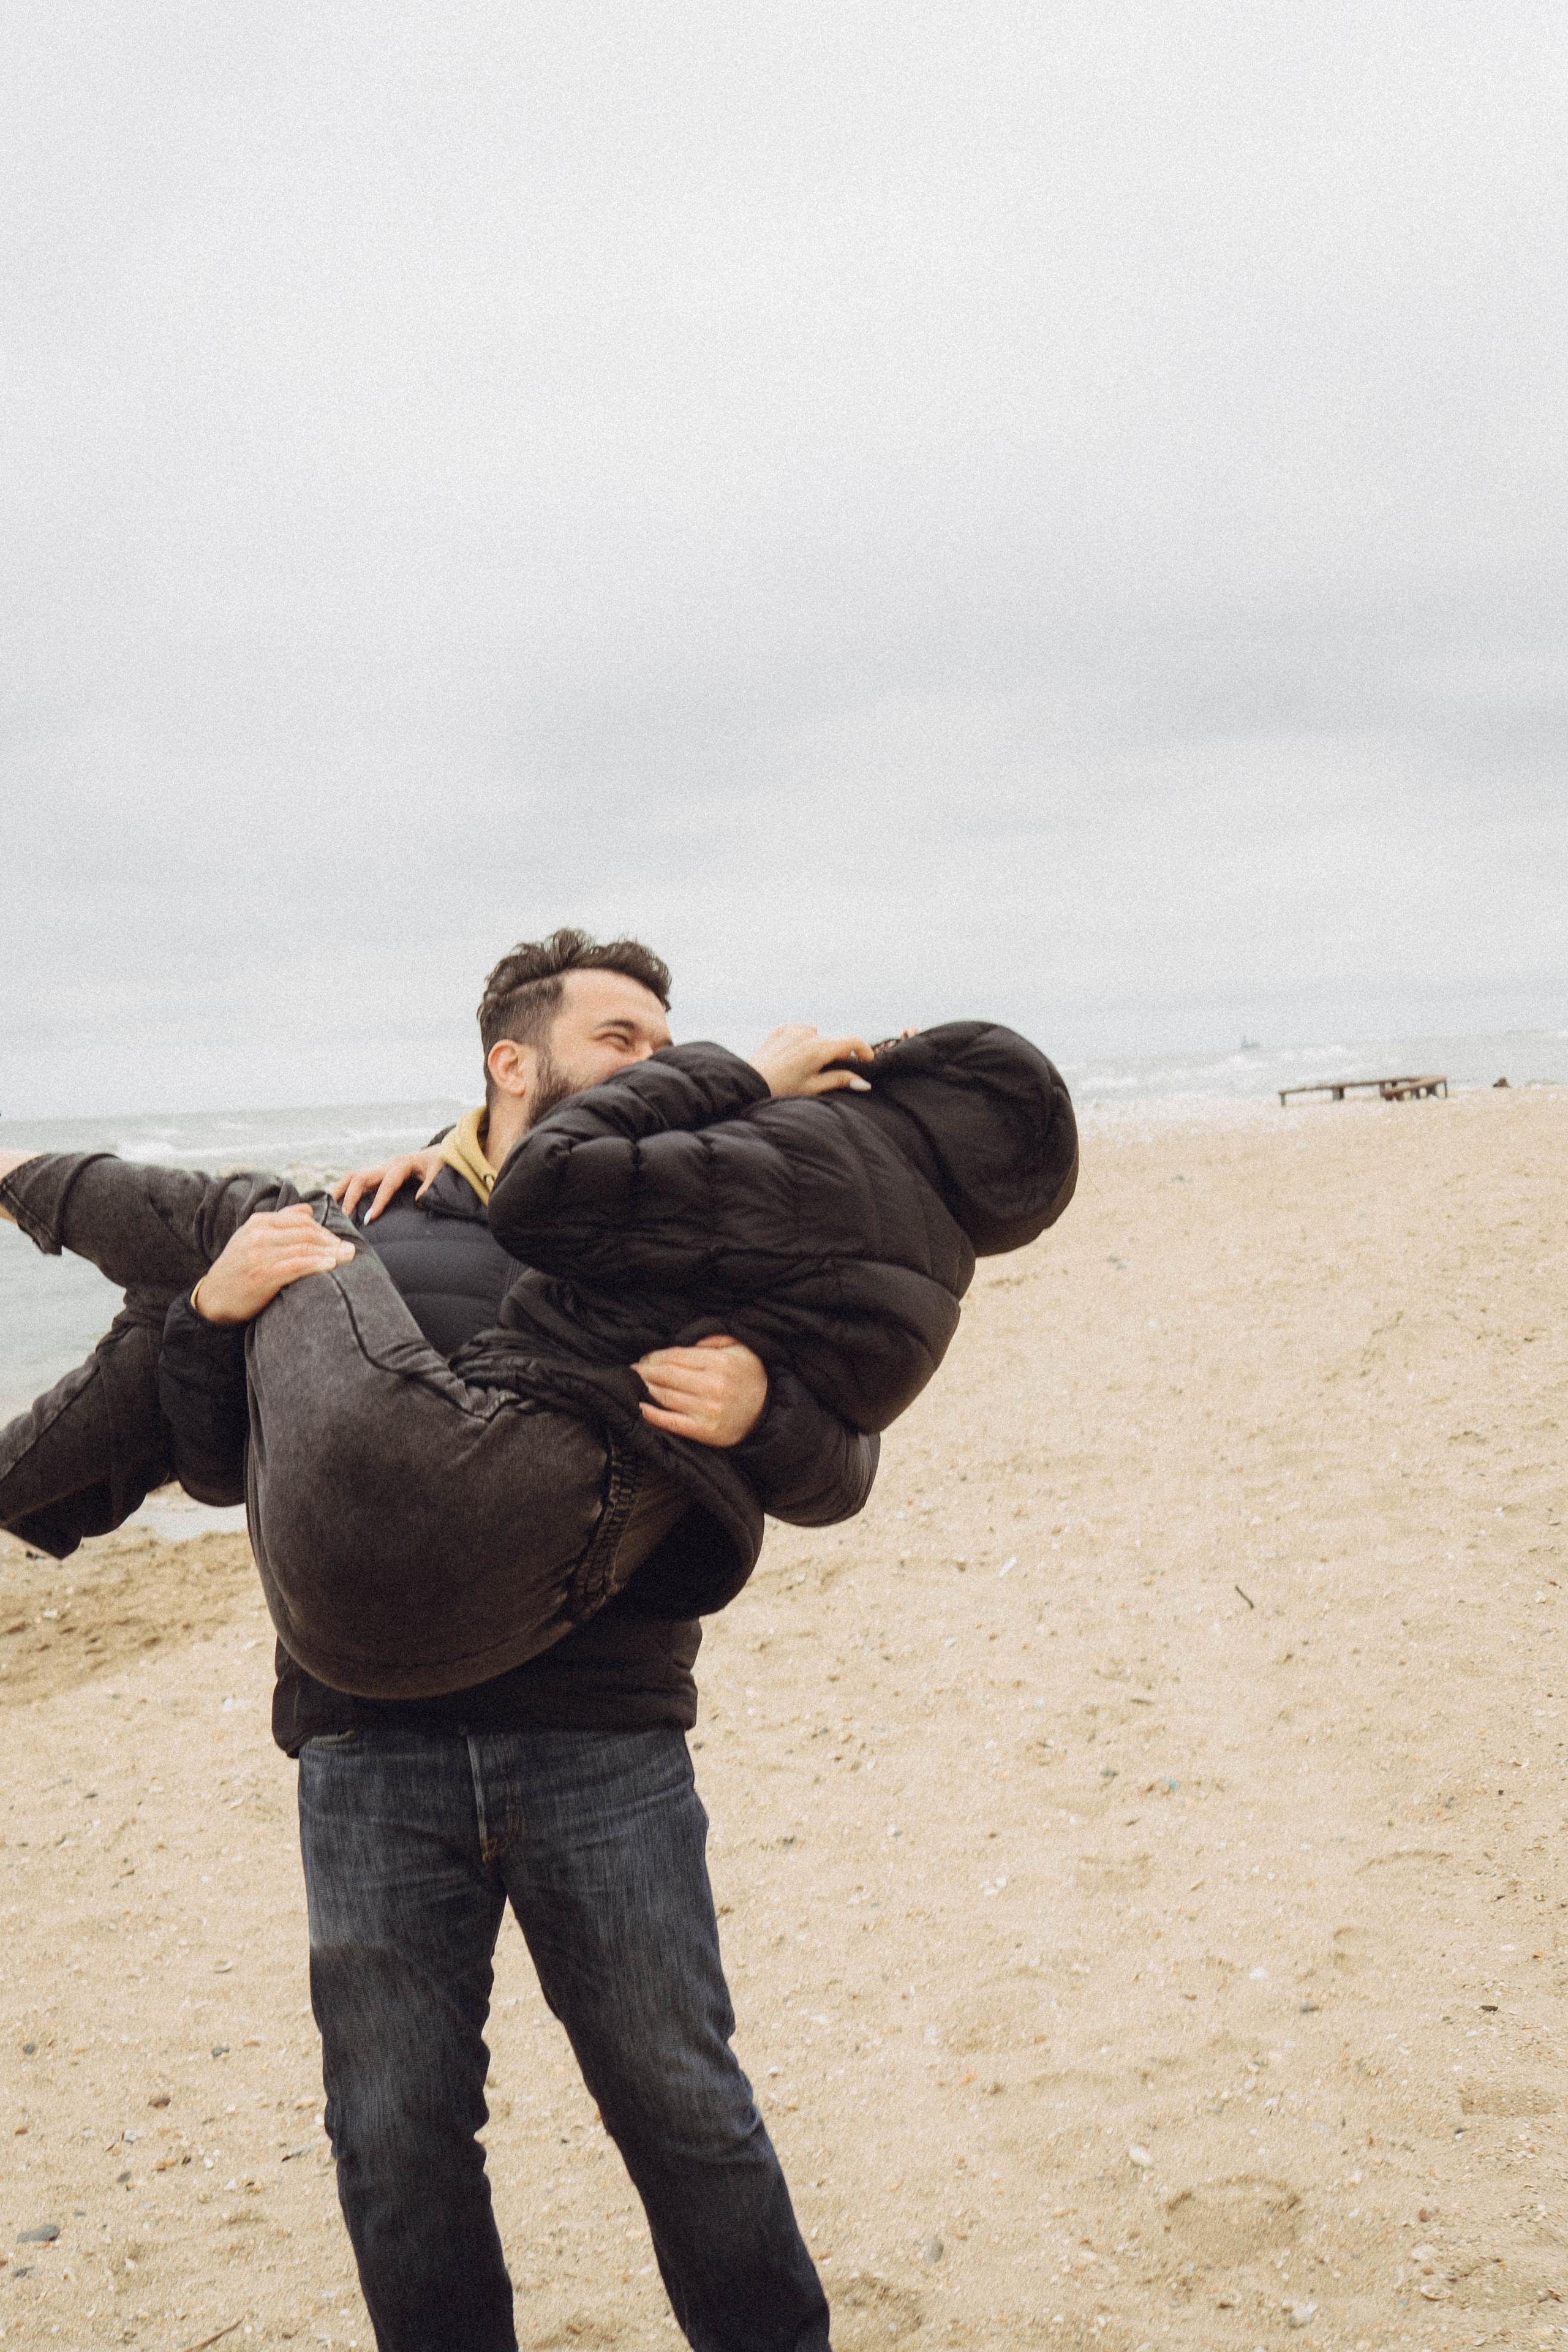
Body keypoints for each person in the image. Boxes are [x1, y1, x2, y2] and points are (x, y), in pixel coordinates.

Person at [0, 930, 1079, 2352]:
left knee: (685, 2110)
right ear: (515, 1063)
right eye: (622, 1038)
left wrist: (770, 1413)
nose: (658, 1061)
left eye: (663, 1039)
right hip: (368, 1748)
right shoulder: (363, 1224)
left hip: (603, 1736)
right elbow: (222, 1465)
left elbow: (840, 1470)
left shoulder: (694, 1224)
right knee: (395, 2139)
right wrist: (212, 1306)